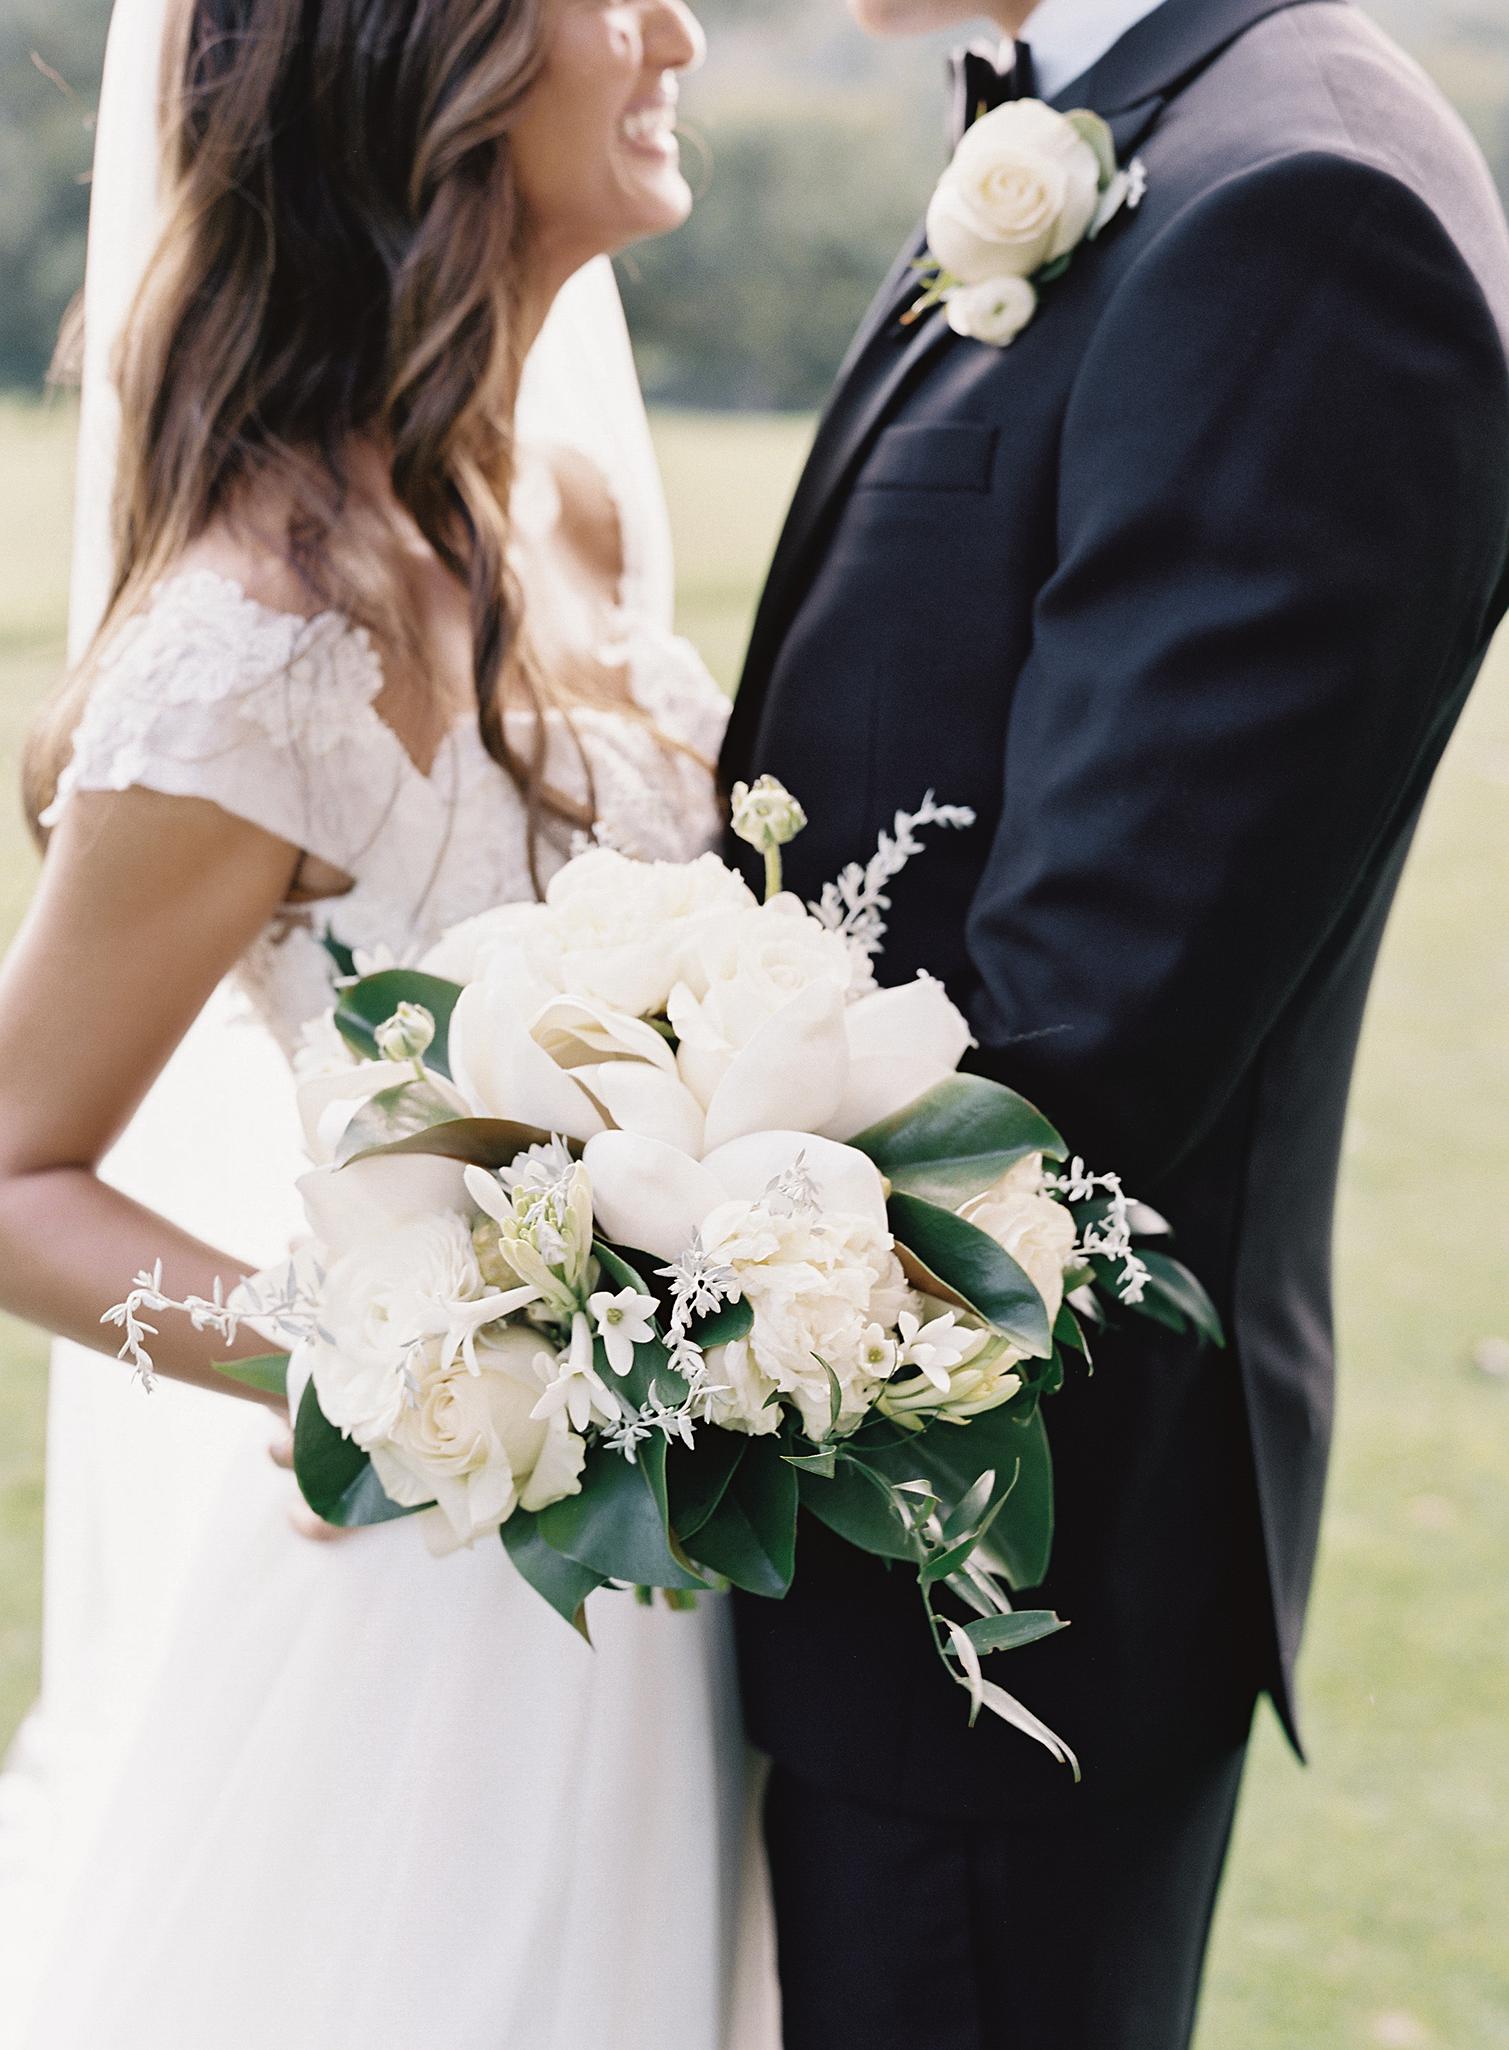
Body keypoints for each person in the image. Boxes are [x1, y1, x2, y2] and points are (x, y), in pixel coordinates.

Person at [721, 0, 1509, 2045]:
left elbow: (1083, 1031)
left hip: (999, 1573)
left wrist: (565, 1264)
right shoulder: (1111, 137)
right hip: (853, 1524)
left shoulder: (1296, 206)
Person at [0, 0, 779, 2044]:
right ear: (424, 73)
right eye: (610, 1)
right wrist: (380, 1372)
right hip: (436, 1632)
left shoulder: (583, 511)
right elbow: (11, 1177)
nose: (675, 31)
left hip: (689, 1582)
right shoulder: (261, 644)